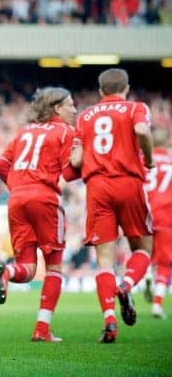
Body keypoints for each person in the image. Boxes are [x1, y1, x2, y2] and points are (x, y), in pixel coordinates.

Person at [70, 68, 154, 343]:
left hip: (97, 188)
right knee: (143, 248)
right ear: (126, 88)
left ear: (100, 91)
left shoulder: (84, 116)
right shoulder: (135, 108)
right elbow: (142, 130)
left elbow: (76, 161)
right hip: (128, 182)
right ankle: (126, 285)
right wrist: (149, 159)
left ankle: (109, 320)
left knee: (104, 259)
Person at [0, 87, 79, 342]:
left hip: (16, 199)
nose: (74, 110)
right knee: (53, 267)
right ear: (56, 108)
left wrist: (18, 187)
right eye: (70, 105)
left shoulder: (24, 131)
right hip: (44, 198)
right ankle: (42, 329)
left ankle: (7, 273)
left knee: (27, 268)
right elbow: (75, 165)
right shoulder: (65, 131)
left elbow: (0, 164)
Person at [144, 128, 172, 319]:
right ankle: (157, 305)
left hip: (144, 215)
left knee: (143, 254)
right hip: (166, 217)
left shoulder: (143, 161)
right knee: (164, 263)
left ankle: (145, 275)